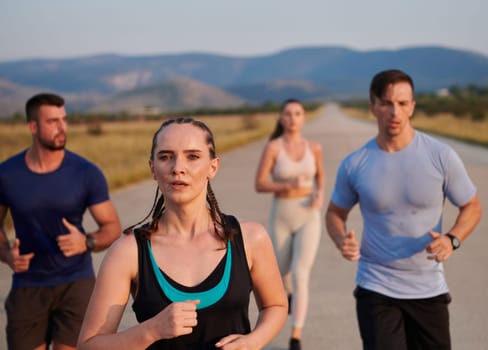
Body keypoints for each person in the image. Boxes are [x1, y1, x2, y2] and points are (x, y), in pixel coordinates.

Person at [77, 117, 288, 349]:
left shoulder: (250, 238)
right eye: (165, 157)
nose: (178, 168)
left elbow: (275, 306)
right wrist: (151, 330)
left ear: (213, 166)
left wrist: (254, 341)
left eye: (193, 157)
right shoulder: (129, 251)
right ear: (152, 168)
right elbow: (89, 345)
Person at [325, 69, 483, 350]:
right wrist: (341, 241)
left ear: (412, 106)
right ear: (373, 105)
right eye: (386, 103)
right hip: (376, 286)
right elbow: (335, 213)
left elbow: (471, 206)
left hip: (428, 288)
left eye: (402, 103)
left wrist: (452, 239)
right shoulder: (356, 163)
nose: (394, 112)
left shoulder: (440, 156)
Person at [0, 92, 122, 350]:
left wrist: (86, 241)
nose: (62, 127)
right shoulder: (7, 175)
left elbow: (112, 227)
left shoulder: (86, 173)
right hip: (28, 285)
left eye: (64, 120)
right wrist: (6, 255)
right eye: (53, 121)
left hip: (76, 284)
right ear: (33, 127)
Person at [254, 99, 325, 350]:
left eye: (297, 113)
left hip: (308, 215)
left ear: (304, 117)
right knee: (279, 272)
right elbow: (260, 183)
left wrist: (319, 195)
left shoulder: (314, 147)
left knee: (300, 273)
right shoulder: (273, 147)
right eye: (288, 114)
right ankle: (289, 295)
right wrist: (286, 186)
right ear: (281, 118)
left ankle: (296, 336)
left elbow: (321, 176)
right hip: (282, 214)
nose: (293, 118)